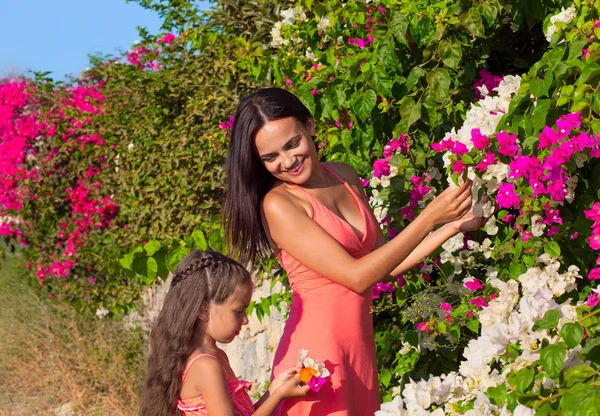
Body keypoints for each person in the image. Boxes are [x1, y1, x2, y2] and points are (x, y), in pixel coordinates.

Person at [223, 88, 485, 415]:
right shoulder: (279, 204)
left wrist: (450, 227)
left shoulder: (343, 174)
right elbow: (358, 278)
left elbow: (384, 265)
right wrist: (431, 214)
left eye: (292, 144)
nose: (287, 162)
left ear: (310, 126)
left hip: (357, 351)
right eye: (270, 157)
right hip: (317, 357)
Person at [140, 249, 311, 416]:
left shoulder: (216, 356)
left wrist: (274, 390)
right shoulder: (206, 366)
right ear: (204, 310)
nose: (245, 320)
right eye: (238, 311)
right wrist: (279, 395)